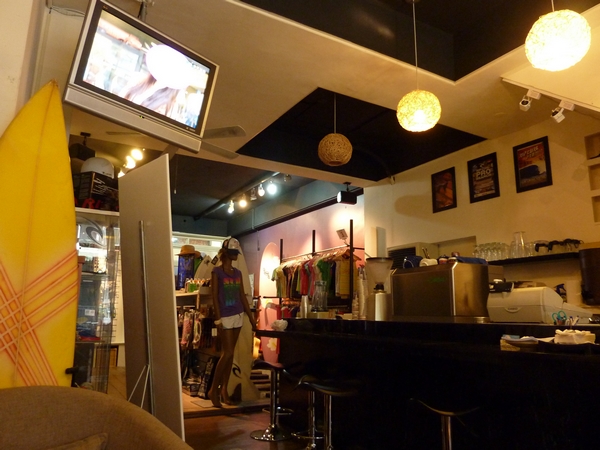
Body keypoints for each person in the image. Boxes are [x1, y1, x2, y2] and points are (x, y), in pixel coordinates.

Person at [208, 237, 257, 407]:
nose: (235, 255)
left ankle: (224, 390)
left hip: (238, 314)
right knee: (227, 353)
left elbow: (242, 295)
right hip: (225, 316)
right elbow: (214, 296)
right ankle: (213, 390)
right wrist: (217, 318)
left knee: (230, 355)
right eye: (233, 252)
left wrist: (251, 317)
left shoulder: (238, 273)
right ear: (226, 253)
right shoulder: (217, 272)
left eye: (236, 252)